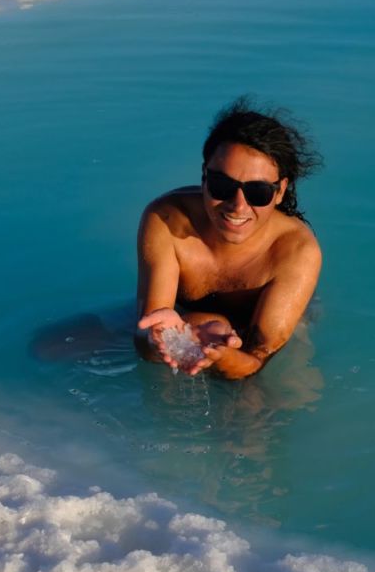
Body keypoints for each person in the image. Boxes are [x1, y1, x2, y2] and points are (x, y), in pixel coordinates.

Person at [136, 97, 323, 379]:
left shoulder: (297, 250)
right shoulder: (167, 219)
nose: (237, 206)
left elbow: (256, 361)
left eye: (258, 192)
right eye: (223, 185)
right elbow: (147, 339)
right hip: (187, 320)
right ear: (204, 177)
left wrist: (223, 358)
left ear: (280, 191)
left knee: (259, 411)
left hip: (269, 332)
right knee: (50, 348)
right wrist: (163, 339)